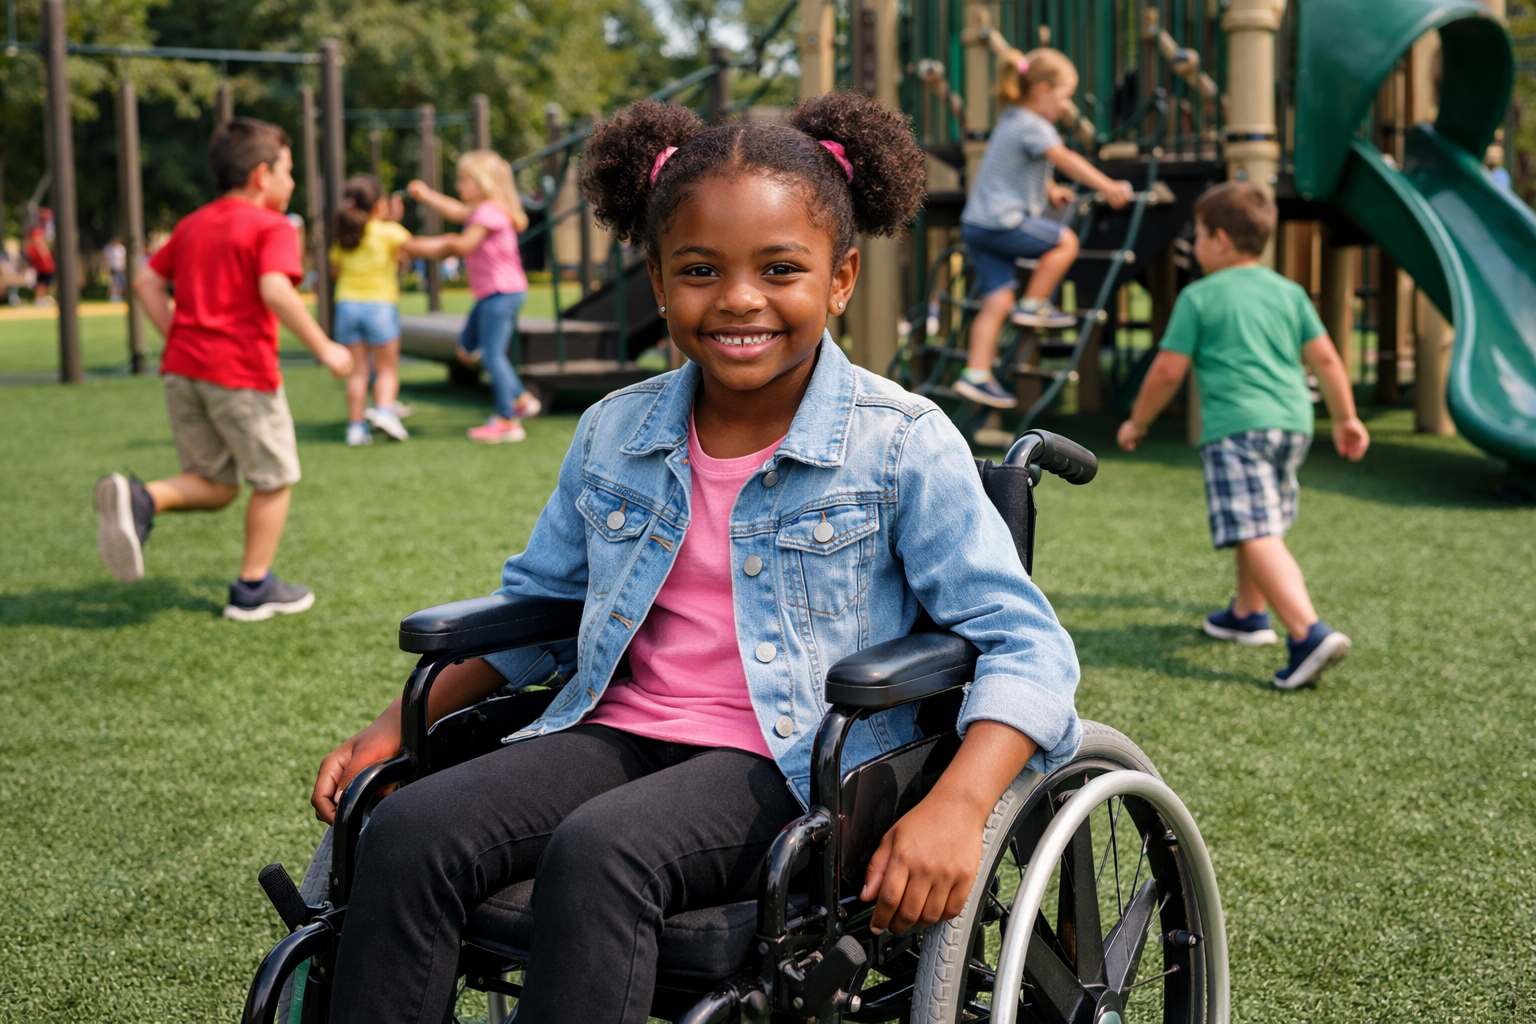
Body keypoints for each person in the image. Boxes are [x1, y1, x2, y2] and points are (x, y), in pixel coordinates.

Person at [310, 93, 1083, 1023]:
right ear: (658, 276)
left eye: (781, 269)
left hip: (799, 760)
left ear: (839, 279)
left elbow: (1026, 647)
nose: (740, 299)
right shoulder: (616, 430)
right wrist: (402, 723)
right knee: (408, 828)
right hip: (620, 729)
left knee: (602, 854)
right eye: (702, 270)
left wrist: (959, 806)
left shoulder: (900, 442)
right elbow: (540, 605)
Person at [94, 118, 353, 620]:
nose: (293, 183)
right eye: (289, 171)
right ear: (262, 175)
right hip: (239, 372)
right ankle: (254, 589)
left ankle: (141, 498)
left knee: (216, 483)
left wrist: (178, 335)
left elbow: (147, 283)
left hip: (182, 372)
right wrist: (326, 347)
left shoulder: (193, 223)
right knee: (274, 479)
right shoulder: (272, 226)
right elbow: (276, 289)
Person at [1116, 182, 1369, 688]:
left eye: (1199, 236)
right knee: (1260, 517)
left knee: (1254, 529)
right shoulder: (1288, 291)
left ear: (1222, 240)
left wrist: (1138, 421)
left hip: (1237, 428)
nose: (1194, 247)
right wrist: (1346, 417)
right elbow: (1325, 357)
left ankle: (1307, 632)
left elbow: (1167, 370)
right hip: (1293, 424)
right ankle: (1248, 613)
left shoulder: (1200, 296)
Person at [953, 48, 1135, 409]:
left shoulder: (1010, 118)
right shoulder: (1035, 125)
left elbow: (1018, 167)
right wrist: (1108, 186)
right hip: (1001, 222)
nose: (1066, 106)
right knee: (1064, 242)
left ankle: (976, 374)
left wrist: (1051, 190)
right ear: (1042, 90)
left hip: (977, 224)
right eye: (1064, 97)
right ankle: (1035, 303)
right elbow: (1064, 158)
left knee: (997, 300)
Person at [407, 150, 539, 443]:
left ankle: (507, 420)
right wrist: (427, 195)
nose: (459, 185)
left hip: (500, 293)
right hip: (495, 293)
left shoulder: (489, 211)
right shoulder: (486, 208)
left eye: (465, 179)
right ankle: (520, 398)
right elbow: (455, 212)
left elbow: (461, 245)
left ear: (485, 182)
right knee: (466, 348)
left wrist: (414, 246)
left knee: (492, 355)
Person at [329, 174, 417, 446]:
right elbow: (407, 258)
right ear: (380, 205)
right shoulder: (389, 231)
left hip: (347, 305)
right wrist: (394, 220)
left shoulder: (345, 236)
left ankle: (355, 429)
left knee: (358, 372)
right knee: (387, 368)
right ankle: (383, 411)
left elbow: (335, 270)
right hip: (380, 304)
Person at [25, 209, 55, 307]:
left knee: (44, 280)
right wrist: (45, 256)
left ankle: (40, 299)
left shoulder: (41, 229)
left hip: (40, 261)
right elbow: (39, 244)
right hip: (42, 262)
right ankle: (39, 300)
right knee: (43, 280)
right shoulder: (38, 230)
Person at [105, 237, 128, 303]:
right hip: (113, 268)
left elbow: (123, 258)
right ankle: (114, 296)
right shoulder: (109, 248)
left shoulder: (121, 248)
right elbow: (107, 259)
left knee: (120, 282)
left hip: (120, 268)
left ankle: (119, 296)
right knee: (114, 282)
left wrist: (124, 267)